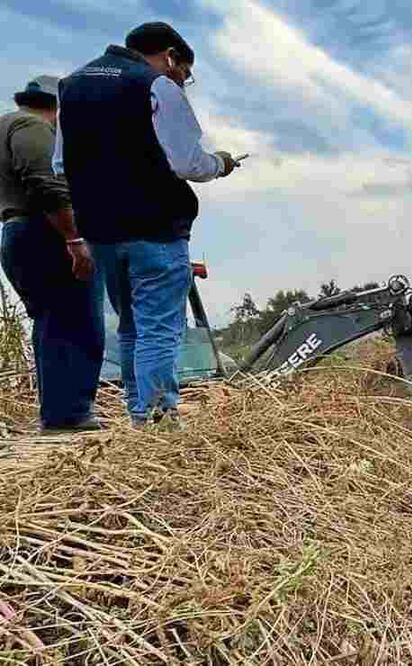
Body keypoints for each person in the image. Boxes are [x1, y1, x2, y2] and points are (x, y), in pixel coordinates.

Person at [54, 22, 240, 426]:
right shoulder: (155, 85)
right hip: (155, 229)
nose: (182, 81)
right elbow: (186, 162)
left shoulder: (71, 86)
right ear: (170, 56)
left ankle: (139, 415)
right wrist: (220, 164)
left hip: (101, 231)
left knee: (131, 328)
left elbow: (59, 164)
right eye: (184, 72)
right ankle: (159, 420)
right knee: (159, 328)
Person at [0, 76, 104, 433]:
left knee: (51, 323)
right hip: (47, 234)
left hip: (17, 231)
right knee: (78, 322)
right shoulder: (31, 126)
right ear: (59, 105)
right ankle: (70, 415)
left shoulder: (4, 126)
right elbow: (45, 183)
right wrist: (74, 238)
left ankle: (59, 412)